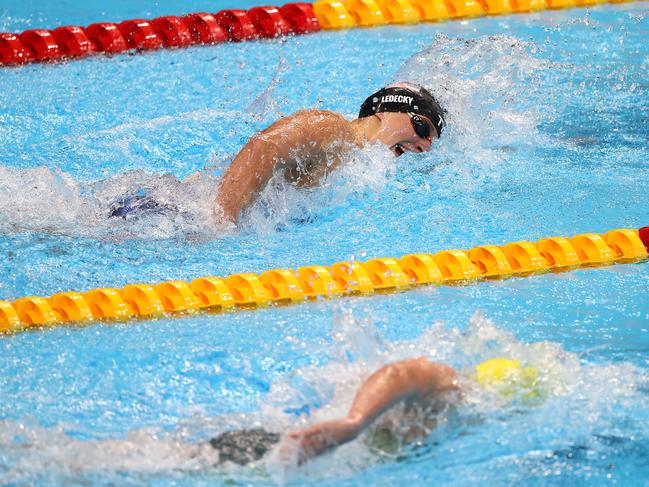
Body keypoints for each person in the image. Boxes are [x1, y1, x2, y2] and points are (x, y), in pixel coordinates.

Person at [207, 356, 542, 466]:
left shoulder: (456, 425)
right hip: (285, 446)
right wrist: (354, 423)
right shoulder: (451, 389)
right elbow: (400, 373)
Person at [214, 82, 446, 224]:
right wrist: (221, 221)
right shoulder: (334, 130)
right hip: (198, 214)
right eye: (422, 127)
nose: (424, 147)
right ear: (391, 109)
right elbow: (264, 148)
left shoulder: (352, 164)